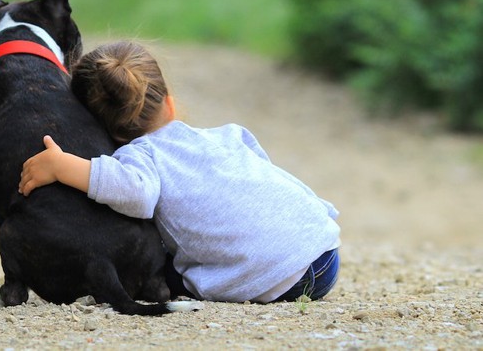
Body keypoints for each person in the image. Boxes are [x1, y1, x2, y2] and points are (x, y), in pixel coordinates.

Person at [19, 41, 341, 303]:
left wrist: (64, 166)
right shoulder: (228, 134)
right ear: (169, 104)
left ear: (103, 134)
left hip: (282, 280)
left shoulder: (141, 155)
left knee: (164, 272)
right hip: (323, 250)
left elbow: (136, 193)